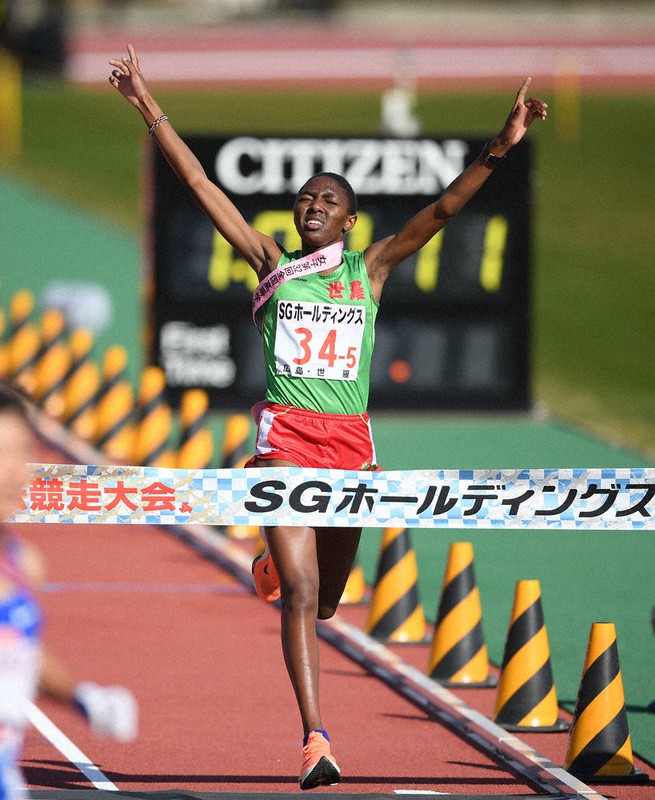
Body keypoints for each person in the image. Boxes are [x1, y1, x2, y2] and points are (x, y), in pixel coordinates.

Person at [108, 44, 547, 790]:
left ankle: (269, 568)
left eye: (326, 201)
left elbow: (442, 210)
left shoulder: (368, 270)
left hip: (349, 448)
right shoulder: (269, 263)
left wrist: (497, 151)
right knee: (304, 594)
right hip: (284, 443)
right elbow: (197, 182)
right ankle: (314, 738)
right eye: (305, 199)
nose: (311, 207)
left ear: (349, 219)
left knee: (328, 600)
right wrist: (148, 106)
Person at [0, 383, 138, 800]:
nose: (12, 470)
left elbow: (20, 650)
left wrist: (83, 699)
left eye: (22, 451)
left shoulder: (23, 562)